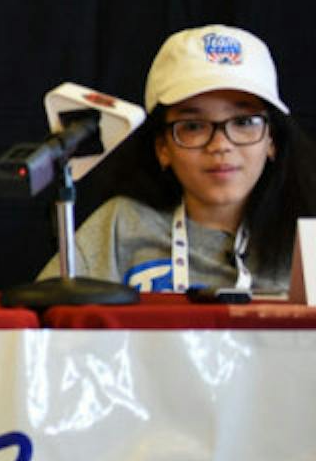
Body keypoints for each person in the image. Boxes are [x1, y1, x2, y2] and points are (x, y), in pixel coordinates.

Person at [41, 25, 316, 294]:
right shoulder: (121, 225)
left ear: (272, 140)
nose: (220, 145)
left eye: (244, 121)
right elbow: (43, 324)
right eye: (193, 126)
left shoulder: (307, 238)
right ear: (162, 148)